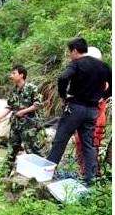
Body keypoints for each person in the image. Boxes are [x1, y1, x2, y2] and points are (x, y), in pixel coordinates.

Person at [47, 38, 111, 185]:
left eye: (70, 52)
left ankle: (47, 174)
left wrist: (64, 96)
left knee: (60, 140)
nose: (70, 55)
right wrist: (103, 97)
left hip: (75, 108)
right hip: (92, 111)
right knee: (88, 145)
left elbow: (63, 77)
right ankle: (91, 179)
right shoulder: (103, 66)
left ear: (75, 51)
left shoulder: (76, 64)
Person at [0, 65, 44, 174]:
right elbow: (9, 107)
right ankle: (3, 176)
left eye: (14, 73)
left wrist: (23, 111)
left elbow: (38, 105)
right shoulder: (13, 90)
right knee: (11, 151)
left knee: (33, 151)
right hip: (15, 125)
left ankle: (41, 174)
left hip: (29, 126)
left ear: (21, 75)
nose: (11, 75)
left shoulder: (32, 88)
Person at [73, 46, 111, 176]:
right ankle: (85, 172)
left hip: (95, 117)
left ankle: (92, 174)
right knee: (80, 143)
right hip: (85, 115)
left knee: (91, 144)